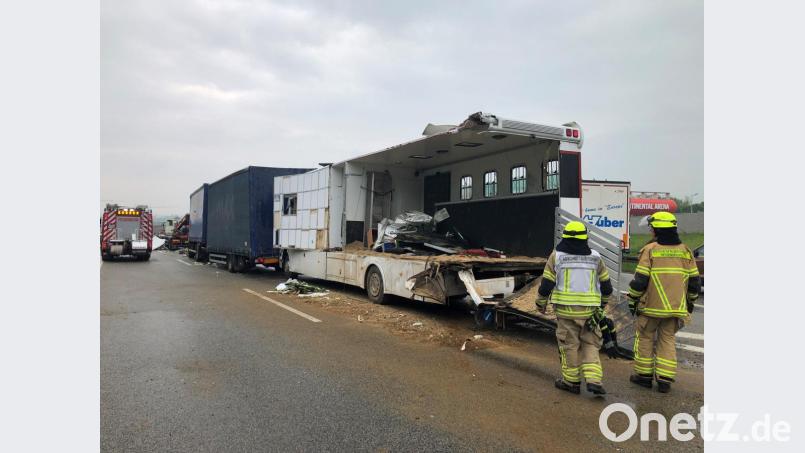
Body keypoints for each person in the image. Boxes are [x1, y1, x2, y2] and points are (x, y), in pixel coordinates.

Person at [536, 221, 613, 395]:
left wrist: (540, 304)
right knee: (591, 344)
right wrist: (602, 305)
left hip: (566, 312)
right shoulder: (595, 257)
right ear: (585, 237)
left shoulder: (557, 256)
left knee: (569, 346)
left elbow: (546, 285)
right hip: (591, 313)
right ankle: (594, 381)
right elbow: (607, 287)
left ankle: (571, 382)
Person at [627, 211, 700, 393]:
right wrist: (690, 302)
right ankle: (665, 379)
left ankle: (644, 377)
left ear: (657, 229)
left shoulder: (650, 250)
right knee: (667, 340)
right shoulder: (686, 252)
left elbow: (640, 281)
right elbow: (694, 282)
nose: (651, 231)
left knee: (645, 338)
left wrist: (632, 300)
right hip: (675, 308)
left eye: (652, 228)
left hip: (651, 308)